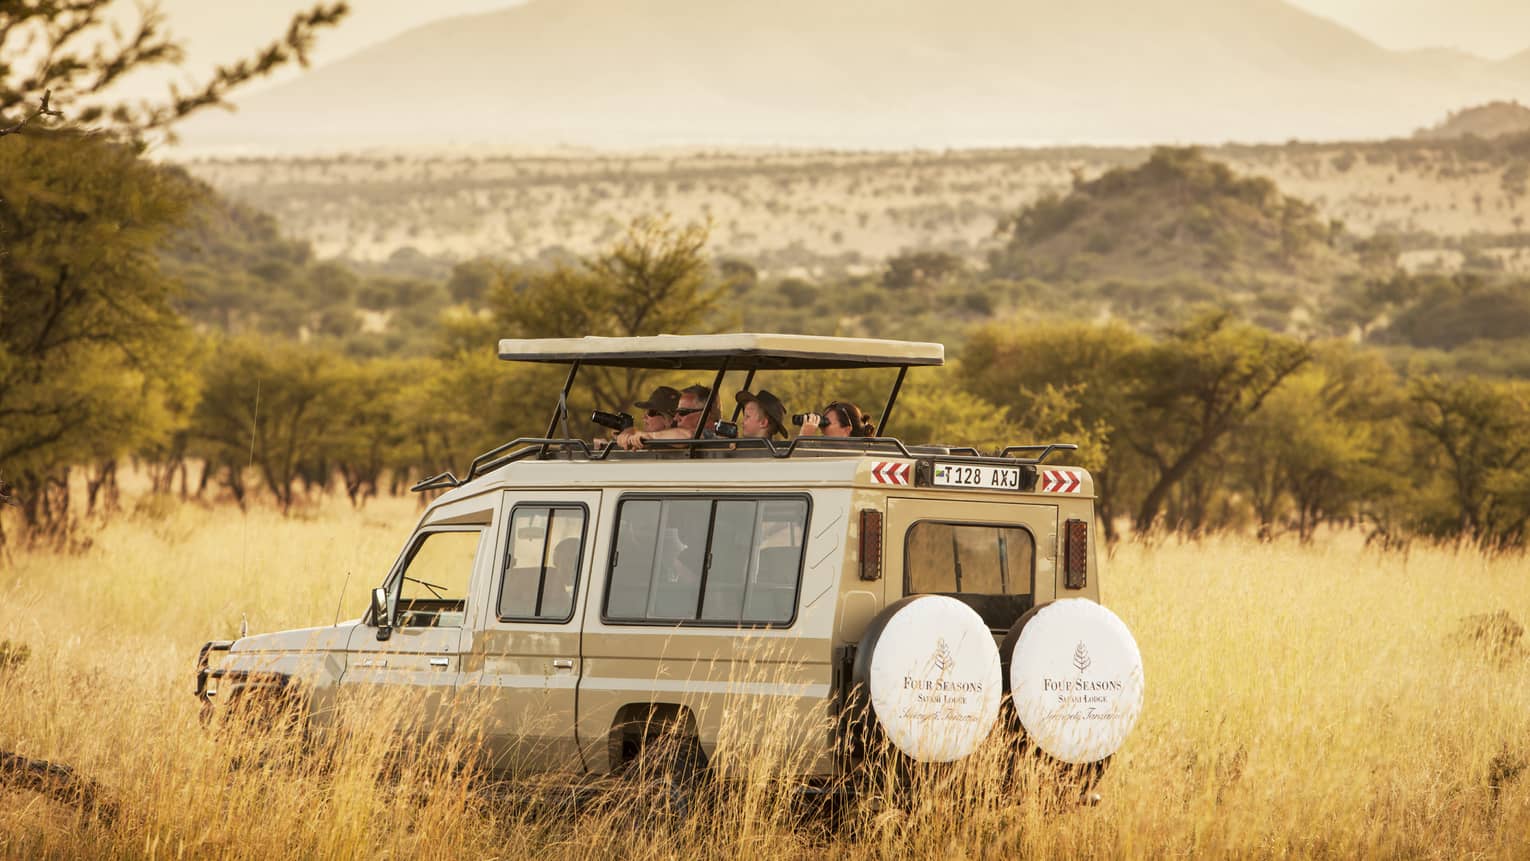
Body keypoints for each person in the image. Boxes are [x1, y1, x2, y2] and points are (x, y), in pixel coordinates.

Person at [616, 383, 722, 450]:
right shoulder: (677, 441)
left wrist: (649, 436)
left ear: (705, 415)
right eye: (675, 412)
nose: (676, 418)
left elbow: (687, 436)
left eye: (682, 412)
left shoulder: (712, 435)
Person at [797, 400, 876, 438]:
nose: (822, 428)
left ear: (846, 430)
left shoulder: (851, 457)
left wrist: (804, 437)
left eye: (827, 422)